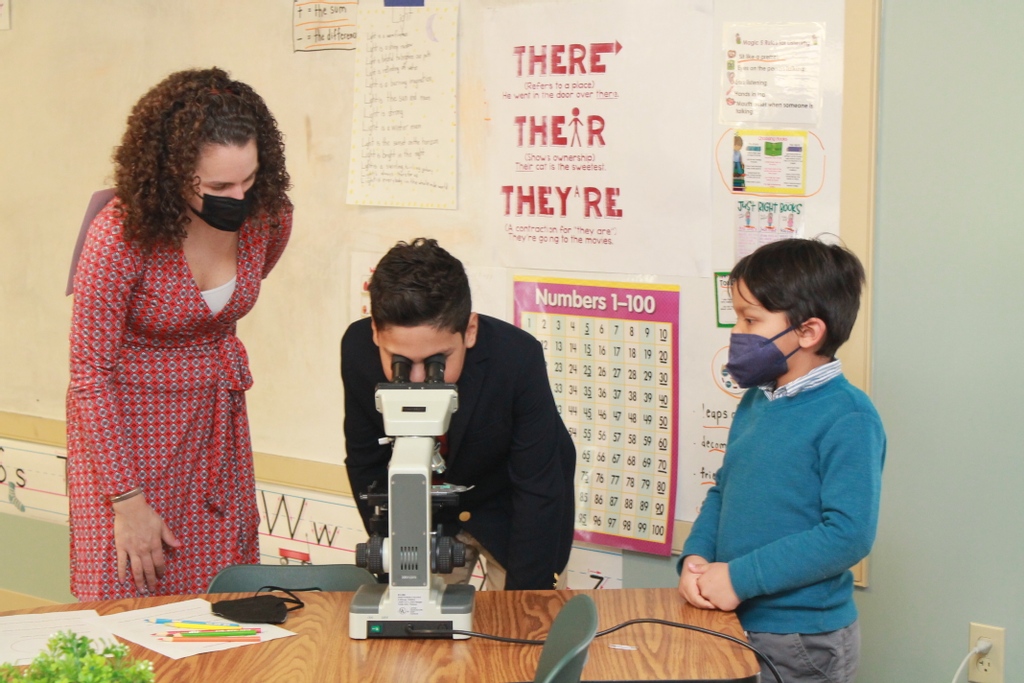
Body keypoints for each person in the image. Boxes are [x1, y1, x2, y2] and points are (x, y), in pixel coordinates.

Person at [66, 67, 292, 600]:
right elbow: (89, 375)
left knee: (217, 604)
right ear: (170, 173)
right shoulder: (121, 234)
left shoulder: (268, 218)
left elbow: (221, 313)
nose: (237, 197)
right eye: (218, 186)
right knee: (128, 599)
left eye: (248, 179)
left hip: (214, 432)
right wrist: (127, 502)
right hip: (125, 442)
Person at [677, 238, 885, 682]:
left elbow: (848, 534)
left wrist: (738, 578)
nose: (737, 331)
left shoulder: (849, 416)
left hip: (802, 641)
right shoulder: (756, 400)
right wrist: (695, 558)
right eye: (737, 316)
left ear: (809, 333)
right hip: (733, 621)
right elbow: (723, 488)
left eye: (751, 319)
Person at [341, 238, 575, 590]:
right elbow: (365, 461)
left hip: (512, 509)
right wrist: (394, 556)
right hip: (426, 514)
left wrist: (527, 602)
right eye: (401, 362)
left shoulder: (516, 359)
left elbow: (538, 485)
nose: (417, 381)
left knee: (524, 627)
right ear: (375, 330)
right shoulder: (358, 351)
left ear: (470, 331)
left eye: (437, 362)